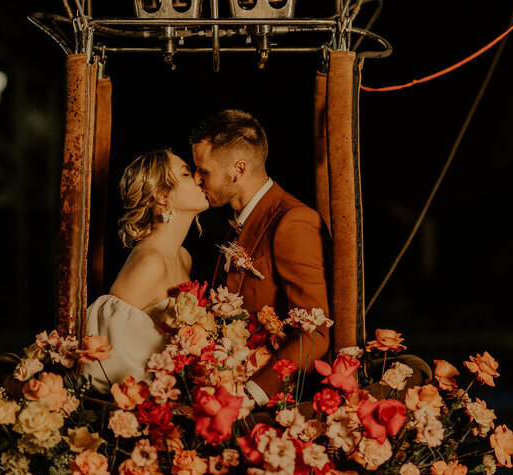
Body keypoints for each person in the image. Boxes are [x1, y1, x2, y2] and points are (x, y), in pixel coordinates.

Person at [190, 109, 331, 405]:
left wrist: (251, 396)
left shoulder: (293, 221)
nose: (195, 179)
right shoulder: (239, 221)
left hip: (278, 404)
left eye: (204, 171)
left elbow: (315, 333)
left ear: (238, 169)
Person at [80, 148, 209, 393]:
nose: (198, 179)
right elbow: (105, 363)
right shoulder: (149, 262)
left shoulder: (184, 258)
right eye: (185, 174)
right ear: (163, 195)